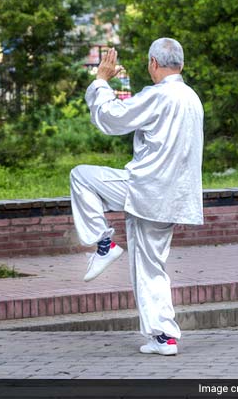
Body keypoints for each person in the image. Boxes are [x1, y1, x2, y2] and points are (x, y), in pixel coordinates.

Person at [69, 38, 204, 356]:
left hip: (145, 189)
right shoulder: (191, 98)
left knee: (81, 176)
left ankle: (103, 242)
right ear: (180, 64)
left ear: (154, 64)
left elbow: (112, 119)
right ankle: (164, 337)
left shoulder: (159, 95)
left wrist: (101, 81)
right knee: (151, 267)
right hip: (173, 197)